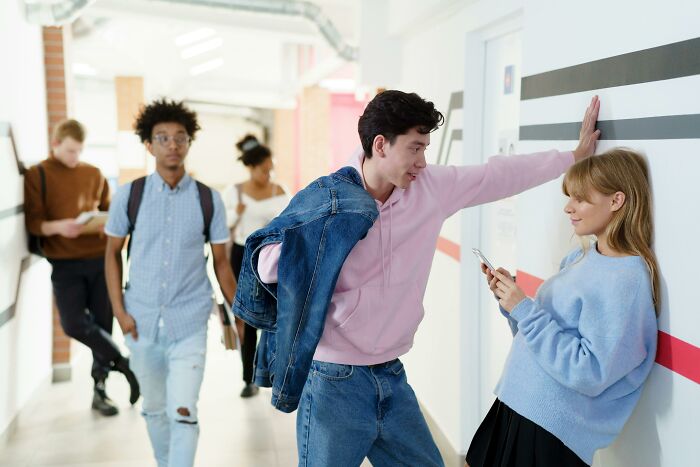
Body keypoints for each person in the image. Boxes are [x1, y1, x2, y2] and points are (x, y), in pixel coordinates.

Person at [254, 90, 601, 466]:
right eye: (415, 149)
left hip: (392, 376)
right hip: (332, 381)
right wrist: (325, 238)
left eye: (425, 149)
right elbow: (266, 264)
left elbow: (496, 176)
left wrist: (573, 157)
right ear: (381, 145)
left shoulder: (431, 189)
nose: (422, 162)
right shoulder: (330, 198)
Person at [466, 148, 659, 467]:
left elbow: (591, 371)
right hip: (518, 403)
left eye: (580, 199)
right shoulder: (581, 257)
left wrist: (525, 309)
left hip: (548, 429)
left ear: (616, 201)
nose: (568, 207)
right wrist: (513, 304)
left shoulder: (627, 280)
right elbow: (537, 340)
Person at [103, 99, 241, 467]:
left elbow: (222, 262)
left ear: (189, 143)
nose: (172, 145)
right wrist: (119, 311)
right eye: (162, 138)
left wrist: (240, 312)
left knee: (183, 410)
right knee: (153, 410)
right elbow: (111, 254)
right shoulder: (128, 197)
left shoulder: (208, 199)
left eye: (180, 138)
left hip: (190, 321)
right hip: (140, 322)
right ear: (148, 145)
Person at [23, 119, 139, 417]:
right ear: (56, 144)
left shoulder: (93, 173)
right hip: (64, 262)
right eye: (70, 151)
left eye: (79, 151)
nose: (75, 157)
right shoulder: (38, 175)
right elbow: (34, 223)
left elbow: (108, 212)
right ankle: (122, 360)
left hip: (100, 259)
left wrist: (101, 222)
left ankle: (99, 391)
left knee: (103, 322)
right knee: (74, 323)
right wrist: (60, 226)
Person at [225, 134, 289, 398]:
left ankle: (277, 373)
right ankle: (248, 377)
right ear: (252, 167)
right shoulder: (235, 192)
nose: (268, 173)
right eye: (264, 169)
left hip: (273, 256)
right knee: (248, 321)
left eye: (270, 168)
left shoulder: (280, 191)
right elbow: (224, 227)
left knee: (277, 316)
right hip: (243, 256)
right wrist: (237, 212)